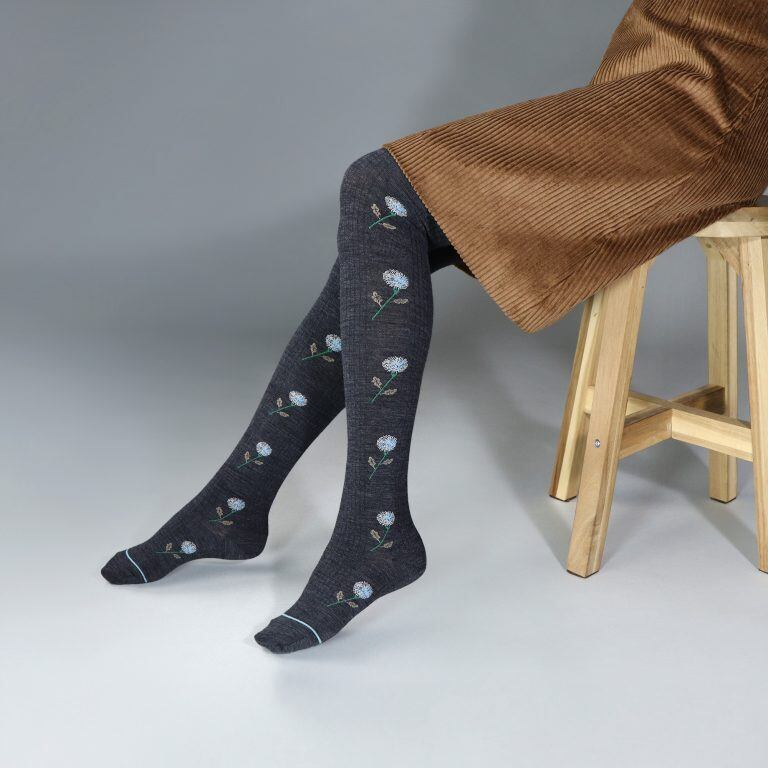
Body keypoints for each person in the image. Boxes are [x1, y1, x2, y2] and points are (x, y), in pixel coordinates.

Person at [102, 0, 768, 652]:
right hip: (641, 84)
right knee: (385, 225)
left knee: (382, 191)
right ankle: (248, 505)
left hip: (711, 112)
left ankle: (354, 525)